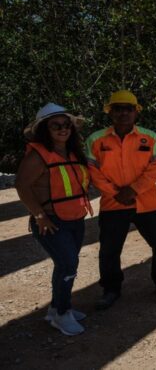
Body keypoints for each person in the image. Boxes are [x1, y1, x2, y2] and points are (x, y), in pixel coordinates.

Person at [86, 90, 156, 310]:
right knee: (109, 249)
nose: (123, 113)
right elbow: (92, 170)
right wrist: (114, 192)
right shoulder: (96, 140)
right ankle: (111, 289)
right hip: (113, 202)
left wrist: (133, 190)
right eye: (118, 109)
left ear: (136, 112)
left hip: (147, 202)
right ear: (111, 112)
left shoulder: (150, 137)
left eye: (128, 109)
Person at [16, 103, 93, 335]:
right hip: (51, 222)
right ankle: (62, 313)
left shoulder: (72, 152)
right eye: (56, 126)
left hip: (75, 219)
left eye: (66, 124)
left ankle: (56, 309)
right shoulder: (38, 156)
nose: (63, 129)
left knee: (66, 264)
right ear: (44, 130)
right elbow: (22, 185)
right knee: (68, 265)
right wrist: (39, 216)